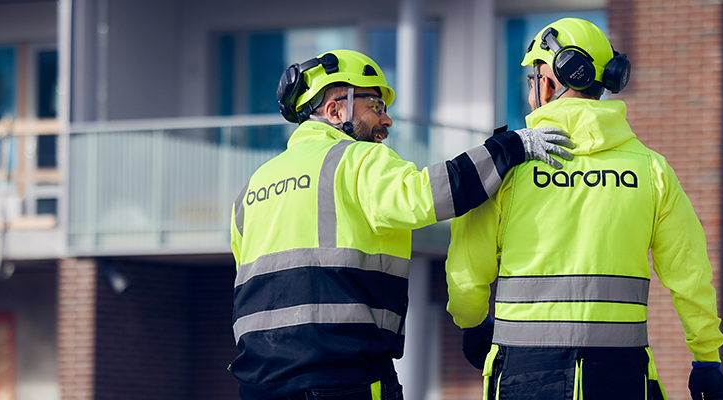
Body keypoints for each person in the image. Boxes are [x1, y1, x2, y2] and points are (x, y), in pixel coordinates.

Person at [229, 49, 574, 400]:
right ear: (335, 110)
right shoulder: (356, 159)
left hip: (259, 384)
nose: (387, 120)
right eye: (375, 106)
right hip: (342, 377)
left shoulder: (251, 189)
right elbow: (428, 195)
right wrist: (510, 147)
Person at [444, 18, 723, 400]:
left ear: (547, 83)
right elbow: (690, 274)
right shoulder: (650, 169)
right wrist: (706, 358)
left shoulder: (506, 167)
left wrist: (473, 324)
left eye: (533, 79)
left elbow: (466, 274)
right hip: (622, 378)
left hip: (523, 376)